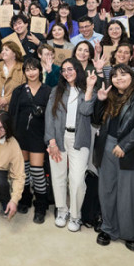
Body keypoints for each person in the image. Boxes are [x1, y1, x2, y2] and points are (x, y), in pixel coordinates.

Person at [92, 64, 134, 252]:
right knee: (107, 190)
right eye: (115, 75)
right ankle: (108, 228)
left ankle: (130, 234)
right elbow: (95, 120)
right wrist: (100, 100)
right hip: (107, 147)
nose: (119, 78)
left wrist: (125, 145)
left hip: (131, 150)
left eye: (123, 74)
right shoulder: (109, 96)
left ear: (132, 77)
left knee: (131, 195)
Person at [45, 60, 98, 231]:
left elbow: (86, 111)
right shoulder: (57, 90)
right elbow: (49, 116)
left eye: (70, 69)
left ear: (77, 70)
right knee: (58, 176)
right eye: (63, 70)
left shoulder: (88, 91)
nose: (67, 72)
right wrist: (51, 141)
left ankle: (76, 215)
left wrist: (89, 88)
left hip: (79, 138)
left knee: (77, 180)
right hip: (58, 138)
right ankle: (62, 210)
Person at [8, 57, 53, 223]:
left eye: (34, 69)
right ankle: (25, 198)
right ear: (24, 72)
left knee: (37, 170)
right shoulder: (18, 91)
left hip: (39, 135)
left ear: (40, 70)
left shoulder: (48, 91)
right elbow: (12, 114)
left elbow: (52, 116)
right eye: (27, 69)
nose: (31, 72)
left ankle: (41, 205)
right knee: (23, 170)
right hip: (20, 135)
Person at [0, 42, 24, 116]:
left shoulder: (22, 68)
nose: (3, 52)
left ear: (14, 53)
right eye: (2, 50)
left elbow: (23, 88)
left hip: (14, 110)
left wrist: (7, 100)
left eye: (6, 50)